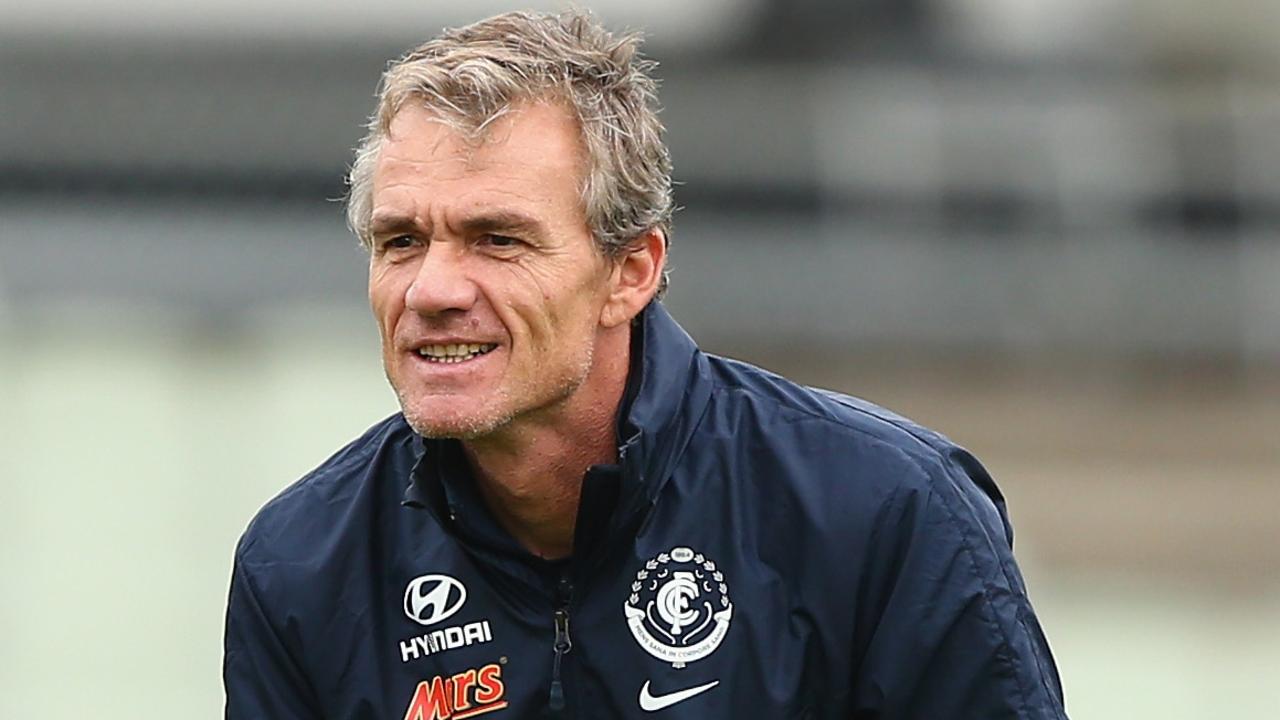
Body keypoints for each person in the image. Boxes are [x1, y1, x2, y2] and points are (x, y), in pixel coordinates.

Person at [223, 10, 1067, 719]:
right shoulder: (303, 565)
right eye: (401, 241)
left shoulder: (885, 510)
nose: (434, 288)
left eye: (498, 240)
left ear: (630, 273)